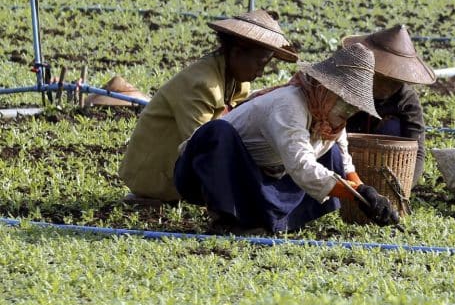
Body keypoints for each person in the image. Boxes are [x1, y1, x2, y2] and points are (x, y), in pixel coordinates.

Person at [173, 44, 399, 233]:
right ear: (324, 88)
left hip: (264, 174)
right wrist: (357, 194)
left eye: (354, 107)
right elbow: (302, 166)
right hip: (208, 173)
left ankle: (268, 222)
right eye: (343, 100)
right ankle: (226, 219)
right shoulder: (289, 104)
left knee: (332, 155)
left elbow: (345, 164)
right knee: (217, 132)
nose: (347, 111)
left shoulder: (331, 123)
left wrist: (368, 195)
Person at [118, 10, 298, 204]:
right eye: (260, 64)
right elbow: (201, 144)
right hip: (155, 177)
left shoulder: (238, 82)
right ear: (237, 52)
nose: (261, 72)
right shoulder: (202, 84)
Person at [342, 25, 436, 186]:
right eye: (383, 79)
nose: (387, 87)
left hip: (384, 164)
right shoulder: (349, 85)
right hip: (345, 149)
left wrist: (404, 186)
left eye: (395, 82)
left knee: (392, 127)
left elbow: (417, 150)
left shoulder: (406, 99)